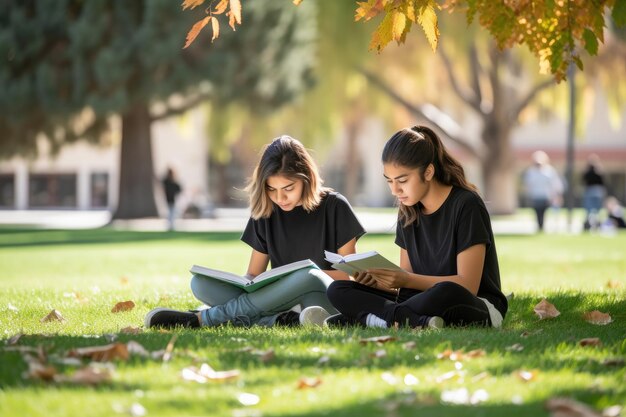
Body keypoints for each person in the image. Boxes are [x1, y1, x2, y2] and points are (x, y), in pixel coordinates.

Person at [145, 135, 365, 329]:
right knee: (200, 284)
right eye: (272, 189)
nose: (280, 198)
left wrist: (296, 280)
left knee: (307, 275)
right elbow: (254, 274)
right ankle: (283, 320)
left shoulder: (336, 206)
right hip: (280, 300)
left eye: (288, 189)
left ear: (306, 180)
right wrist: (246, 282)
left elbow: (347, 277)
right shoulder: (266, 211)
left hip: (323, 296)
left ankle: (205, 319)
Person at [323, 125, 508, 330]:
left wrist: (407, 279)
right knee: (338, 289)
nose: (395, 190)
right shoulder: (408, 211)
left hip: (472, 303)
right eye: (389, 181)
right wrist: (378, 282)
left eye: (402, 180)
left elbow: (468, 286)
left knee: (444, 291)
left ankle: (377, 318)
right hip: (420, 301)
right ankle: (407, 319)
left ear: (428, 172)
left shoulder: (466, 204)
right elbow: (408, 289)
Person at [522, 150, 563, 232]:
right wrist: (527, 194)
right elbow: (528, 184)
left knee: (543, 212)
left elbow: (555, 184)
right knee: (537, 211)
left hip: (546, 196)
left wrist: (556, 195)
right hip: (535, 196)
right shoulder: (531, 172)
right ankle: (539, 226)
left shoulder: (549, 171)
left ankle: (542, 226)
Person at [582, 154, 606, 231]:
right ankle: (594, 224)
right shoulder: (598, 171)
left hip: (591, 191)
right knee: (596, 210)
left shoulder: (590, 171)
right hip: (597, 191)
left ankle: (591, 224)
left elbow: (584, 179)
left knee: (590, 209)